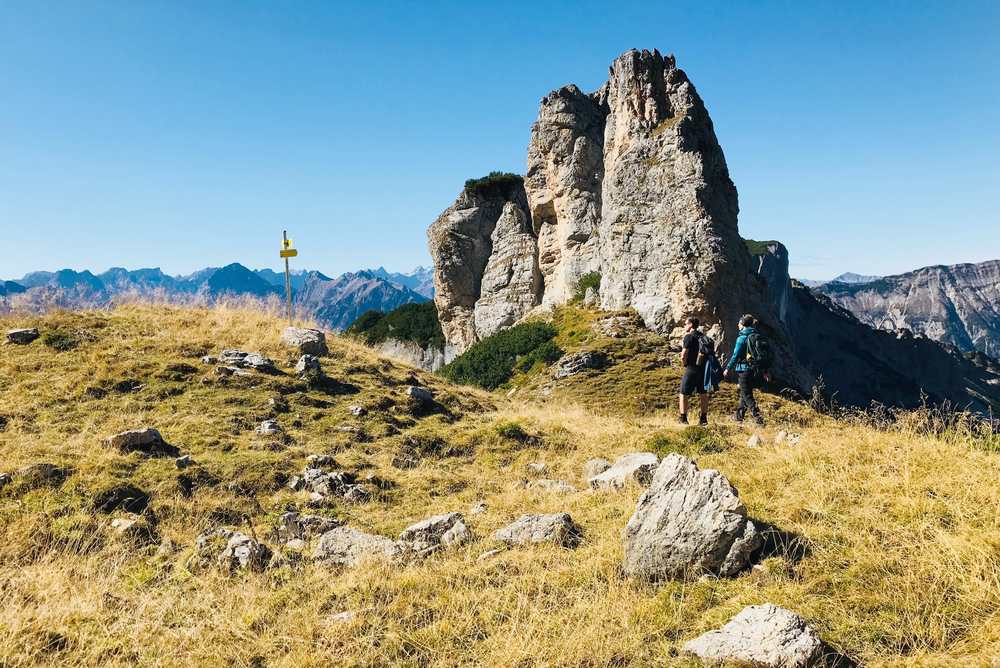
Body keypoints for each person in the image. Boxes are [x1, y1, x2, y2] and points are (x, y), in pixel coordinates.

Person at [724, 314, 766, 425]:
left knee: (747, 395)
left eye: (739, 323)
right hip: (754, 369)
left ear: (743, 324)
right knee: (744, 392)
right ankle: (739, 417)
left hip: (743, 370)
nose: (737, 325)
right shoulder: (756, 335)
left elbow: (735, 355)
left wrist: (728, 368)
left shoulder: (742, 338)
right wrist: (765, 370)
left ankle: (758, 417)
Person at [678, 316, 709, 425]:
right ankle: (703, 418)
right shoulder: (703, 336)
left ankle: (683, 418)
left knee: (683, 393)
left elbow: (683, 354)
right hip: (702, 369)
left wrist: (684, 364)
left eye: (686, 324)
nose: (684, 325)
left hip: (691, 368)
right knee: (703, 393)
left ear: (691, 325)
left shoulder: (688, 337)